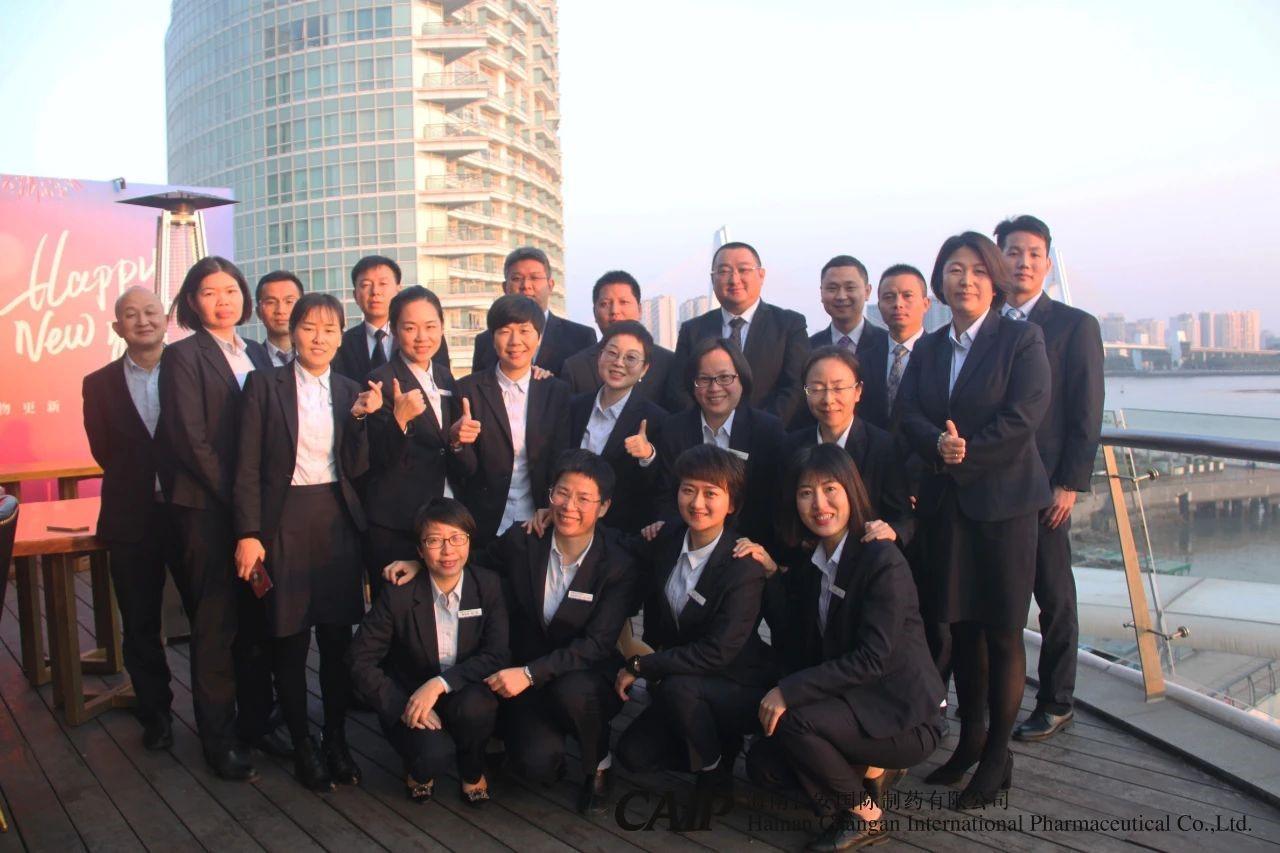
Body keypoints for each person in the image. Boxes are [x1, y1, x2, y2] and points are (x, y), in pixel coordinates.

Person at [384, 450, 637, 815]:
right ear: (549, 495)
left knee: (574, 691)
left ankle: (598, 761)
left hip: (582, 677)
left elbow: (597, 644)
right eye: (562, 493)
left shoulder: (617, 563)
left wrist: (531, 673)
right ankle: (533, 741)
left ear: (604, 507)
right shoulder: (524, 540)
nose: (569, 506)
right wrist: (420, 564)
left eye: (584, 498)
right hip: (524, 676)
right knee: (535, 766)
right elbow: (472, 561)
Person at [897, 231, 1051, 809]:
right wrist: (938, 445)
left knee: (1003, 631)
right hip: (948, 509)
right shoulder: (931, 347)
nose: (966, 280)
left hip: (1005, 508)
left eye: (978, 270)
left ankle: (996, 758)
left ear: (995, 280)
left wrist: (966, 452)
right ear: (940, 280)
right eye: (955, 270)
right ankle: (970, 740)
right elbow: (907, 412)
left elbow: (1024, 415)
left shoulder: (1021, 339)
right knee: (959, 628)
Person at [746, 445, 944, 852]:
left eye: (829, 489)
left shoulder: (881, 560)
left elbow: (873, 658)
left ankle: (864, 816)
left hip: (901, 715)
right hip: (850, 701)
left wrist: (788, 692)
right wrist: (769, 573)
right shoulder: (814, 559)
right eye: (806, 493)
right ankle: (868, 772)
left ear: (851, 490)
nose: (819, 504)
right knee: (765, 766)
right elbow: (792, 635)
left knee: (793, 722)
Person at [233, 292, 371, 791]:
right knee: (289, 640)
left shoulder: (351, 389)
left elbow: (357, 467)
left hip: (336, 521)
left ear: (340, 336)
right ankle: (302, 743)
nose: (319, 338)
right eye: (309, 328)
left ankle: (335, 739)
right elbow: (246, 465)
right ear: (292, 332)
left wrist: (361, 419)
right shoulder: (263, 384)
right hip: (283, 521)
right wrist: (249, 533)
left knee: (336, 640)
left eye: (330, 329)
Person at [157, 256, 273, 781]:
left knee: (255, 622)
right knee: (215, 626)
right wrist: (240, 500)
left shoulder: (255, 353)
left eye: (230, 290)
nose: (222, 301)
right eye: (209, 292)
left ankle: (256, 723)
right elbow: (190, 440)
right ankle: (218, 740)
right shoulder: (182, 356)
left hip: (254, 511)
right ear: (192, 300)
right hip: (208, 511)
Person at [994, 216, 1104, 743]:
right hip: (992, 485)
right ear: (999, 258)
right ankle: (995, 697)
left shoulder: (1074, 326)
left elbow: (1087, 410)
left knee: (1054, 597)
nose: (1023, 262)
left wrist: (1070, 483)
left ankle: (1057, 701)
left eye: (1034, 253)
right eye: (1013, 252)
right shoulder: (986, 322)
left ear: (1048, 262)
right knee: (998, 598)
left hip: (1046, 488)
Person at [614, 445, 777, 800]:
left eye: (710, 493)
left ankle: (714, 769)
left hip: (734, 684)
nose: (697, 502)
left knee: (679, 690)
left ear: (732, 504)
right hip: (683, 681)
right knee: (633, 755)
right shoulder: (666, 537)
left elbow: (718, 652)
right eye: (688, 489)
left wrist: (642, 665)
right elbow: (619, 547)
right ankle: (714, 741)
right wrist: (564, 520)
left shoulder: (743, 564)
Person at [349, 499, 509, 805]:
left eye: (457, 538)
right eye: (434, 540)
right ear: (420, 551)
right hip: (410, 696)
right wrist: (401, 705)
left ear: (469, 542)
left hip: (463, 690)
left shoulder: (488, 586)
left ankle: (472, 769)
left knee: (478, 708)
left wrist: (439, 684)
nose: (448, 550)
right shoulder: (398, 593)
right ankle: (419, 765)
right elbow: (359, 659)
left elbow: (497, 654)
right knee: (432, 757)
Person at [82, 287, 184, 751]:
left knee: (208, 615)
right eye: (130, 314)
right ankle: (156, 714)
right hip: (130, 518)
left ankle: (218, 714)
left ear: (165, 319)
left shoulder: (189, 369)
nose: (142, 320)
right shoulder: (98, 384)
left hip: (189, 514)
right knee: (140, 623)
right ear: (117, 327)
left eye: (150, 311)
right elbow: (103, 450)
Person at [362, 285, 462, 597]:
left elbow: (445, 445)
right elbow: (375, 459)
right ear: (393, 330)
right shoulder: (380, 380)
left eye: (430, 326)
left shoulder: (444, 376)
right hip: (397, 522)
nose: (422, 337)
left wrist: (458, 438)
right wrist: (399, 421)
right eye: (409, 328)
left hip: (439, 517)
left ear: (442, 327)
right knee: (395, 609)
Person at [453, 294, 572, 543]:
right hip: (482, 523)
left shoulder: (556, 392)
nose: (515, 341)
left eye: (524, 331)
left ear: (538, 337)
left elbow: (561, 457)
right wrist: (457, 443)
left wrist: (551, 506)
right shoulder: (467, 390)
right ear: (492, 338)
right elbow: (462, 471)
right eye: (505, 331)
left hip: (539, 522)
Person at [654, 338, 784, 544]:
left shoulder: (767, 430)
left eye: (725, 378)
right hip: (686, 539)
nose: (714, 388)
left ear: (742, 379)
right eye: (704, 379)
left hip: (749, 542)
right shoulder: (674, 428)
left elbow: (771, 500)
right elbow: (666, 493)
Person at [783, 346, 913, 547]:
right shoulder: (791, 446)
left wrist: (891, 531)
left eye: (838, 388)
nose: (828, 400)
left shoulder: (883, 446)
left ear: (858, 391)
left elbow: (903, 518)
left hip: (865, 554)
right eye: (816, 389)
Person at [667, 242, 809, 425]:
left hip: (771, 435)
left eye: (743, 270)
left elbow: (795, 388)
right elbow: (679, 390)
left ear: (761, 275)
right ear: (713, 279)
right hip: (706, 436)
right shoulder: (692, 330)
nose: (734, 279)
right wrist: (711, 427)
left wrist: (758, 428)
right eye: (724, 271)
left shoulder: (789, 325)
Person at [568, 321, 668, 535]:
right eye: (612, 353)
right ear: (600, 356)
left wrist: (648, 456)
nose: (618, 363)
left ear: (644, 369)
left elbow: (661, 486)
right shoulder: (573, 407)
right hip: (567, 523)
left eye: (631, 358)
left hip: (619, 536)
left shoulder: (656, 419)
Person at [470, 247, 595, 375]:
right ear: (505, 287)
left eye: (535, 278)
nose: (526, 285)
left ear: (550, 285)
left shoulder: (581, 337)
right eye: (517, 279)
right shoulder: (485, 341)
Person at [561, 271, 676, 407]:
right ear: (594, 312)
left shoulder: (669, 363)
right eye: (605, 304)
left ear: (640, 310)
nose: (614, 311)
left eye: (623, 302)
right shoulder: (575, 367)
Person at [806, 255, 892, 430]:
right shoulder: (808, 347)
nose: (841, 296)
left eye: (850, 287)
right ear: (821, 293)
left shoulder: (887, 345)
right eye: (832, 288)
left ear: (867, 291)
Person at [333, 255, 451, 380]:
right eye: (366, 285)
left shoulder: (428, 337)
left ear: (398, 290)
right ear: (355, 295)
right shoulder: (342, 343)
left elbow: (442, 381)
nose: (375, 291)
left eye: (383, 283)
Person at [876, 264, 933, 419]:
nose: (898, 304)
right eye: (889, 297)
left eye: (907, 296)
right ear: (879, 306)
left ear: (926, 304)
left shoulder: (941, 355)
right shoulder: (865, 357)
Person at [255, 270, 304, 365]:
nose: (281, 311)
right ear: (258, 312)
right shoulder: (249, 360)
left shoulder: (326, 359)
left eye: (289, 302)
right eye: (271, 302)